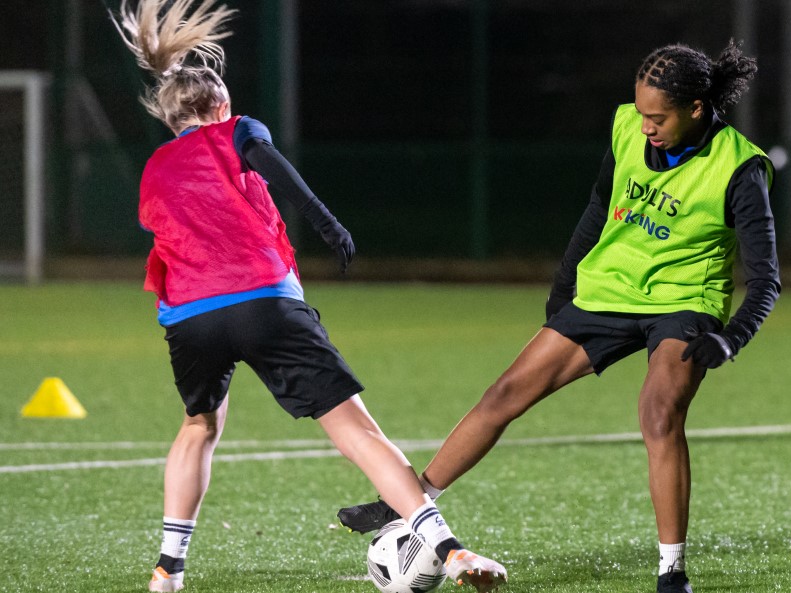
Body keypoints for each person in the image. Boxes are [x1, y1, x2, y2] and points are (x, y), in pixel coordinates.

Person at [336, 40, 779, 593]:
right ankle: (408, 501)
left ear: (695, 109)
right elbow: (599, 205)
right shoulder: (626, 128)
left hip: (682, 300)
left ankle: (672, 573)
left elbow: (766, 280)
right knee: (503, 395)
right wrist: (563, 284)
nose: (645, 127)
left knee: (659, 414)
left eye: (657, 118)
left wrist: (731, 338)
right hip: (607, 290)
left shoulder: (740, 167)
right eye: (640, 114)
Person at [110, 1, 506, 591]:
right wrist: (326, 223)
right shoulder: (237, 129)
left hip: (189, 317)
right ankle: (447, 549)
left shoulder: (155, 167)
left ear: (171, 121)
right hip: (264, 301)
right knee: (355, 430)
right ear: (221, 105)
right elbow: (270, 163)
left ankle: (168, 571)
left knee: (198, 426)